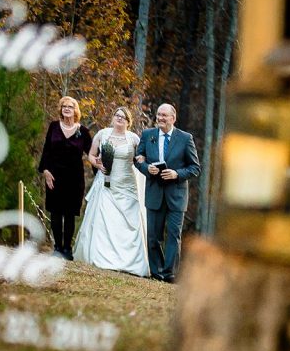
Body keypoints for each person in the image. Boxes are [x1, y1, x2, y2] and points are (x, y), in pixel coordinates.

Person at [73, 107, 149, 277]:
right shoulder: (103, 134)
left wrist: (142, 159)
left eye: (123, 117)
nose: (119, 119)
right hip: (106, 185)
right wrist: (98, 164)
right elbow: (91, 155)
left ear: (129, 122)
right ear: (113, 117)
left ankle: (129, 262)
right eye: (117, 115)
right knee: (102, 220)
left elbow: (141, 157)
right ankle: (101, 257)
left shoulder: (134, 139)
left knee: (128, 222)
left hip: (127, 186)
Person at [133, 103, 201, 283]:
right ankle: (156, 272)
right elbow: (138, 159)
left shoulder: (185, 138)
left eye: (164, 115)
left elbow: (195, 168)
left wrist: (177, 174)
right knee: (154, 236)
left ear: (173, 118)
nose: (160, 118)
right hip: (154, 193)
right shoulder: (148, 135)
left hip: (176, 195)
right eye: (158, 115)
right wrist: (148, 168)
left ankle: (169, 273)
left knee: (173, 235)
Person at [38, 96, 93, 260]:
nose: (67, 109)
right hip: (54, 176)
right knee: (55, 213)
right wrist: (45, 170)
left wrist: (105, 165)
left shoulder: (82, 131)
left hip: (74, 179)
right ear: (61, 109)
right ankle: (57, 248)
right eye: (64, 106)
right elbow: (46, 150)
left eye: (70, 106)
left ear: (75, 110)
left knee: (69, 214)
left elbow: (92, 153)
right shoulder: (54, 127)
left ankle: (67, 250)